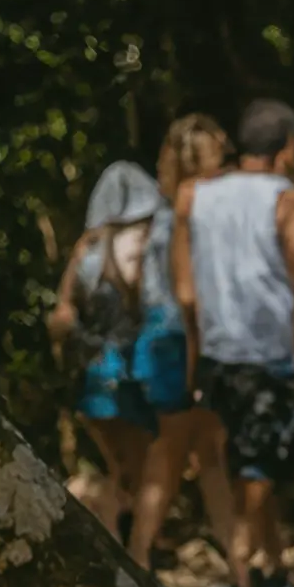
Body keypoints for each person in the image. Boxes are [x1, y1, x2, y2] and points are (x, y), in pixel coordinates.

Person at [173, 97, 294, 587]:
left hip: (216, 351)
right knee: (258, 469)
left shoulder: (194, 196)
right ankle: (242, 574)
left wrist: (195, 353)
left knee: (245, 466)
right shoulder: (290, 203)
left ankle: (273, 571)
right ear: (288, 149)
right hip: (268, 354)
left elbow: (186, 292)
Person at [127, 115, 239, 570]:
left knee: (205, 451)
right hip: (183, 340)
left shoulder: (163, 214)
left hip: (163, 338)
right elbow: (191, 295)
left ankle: (238, 563)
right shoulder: (188, 216)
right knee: (174, 452)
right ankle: (137, 556)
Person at [49, 161, 174, 542]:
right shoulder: (144, 245)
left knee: (122, 469)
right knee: (140, 470)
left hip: (94, 377)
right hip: (130, 376)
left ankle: (121, 541)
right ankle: (136, 549)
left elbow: (62, 314)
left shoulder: (86, 252)